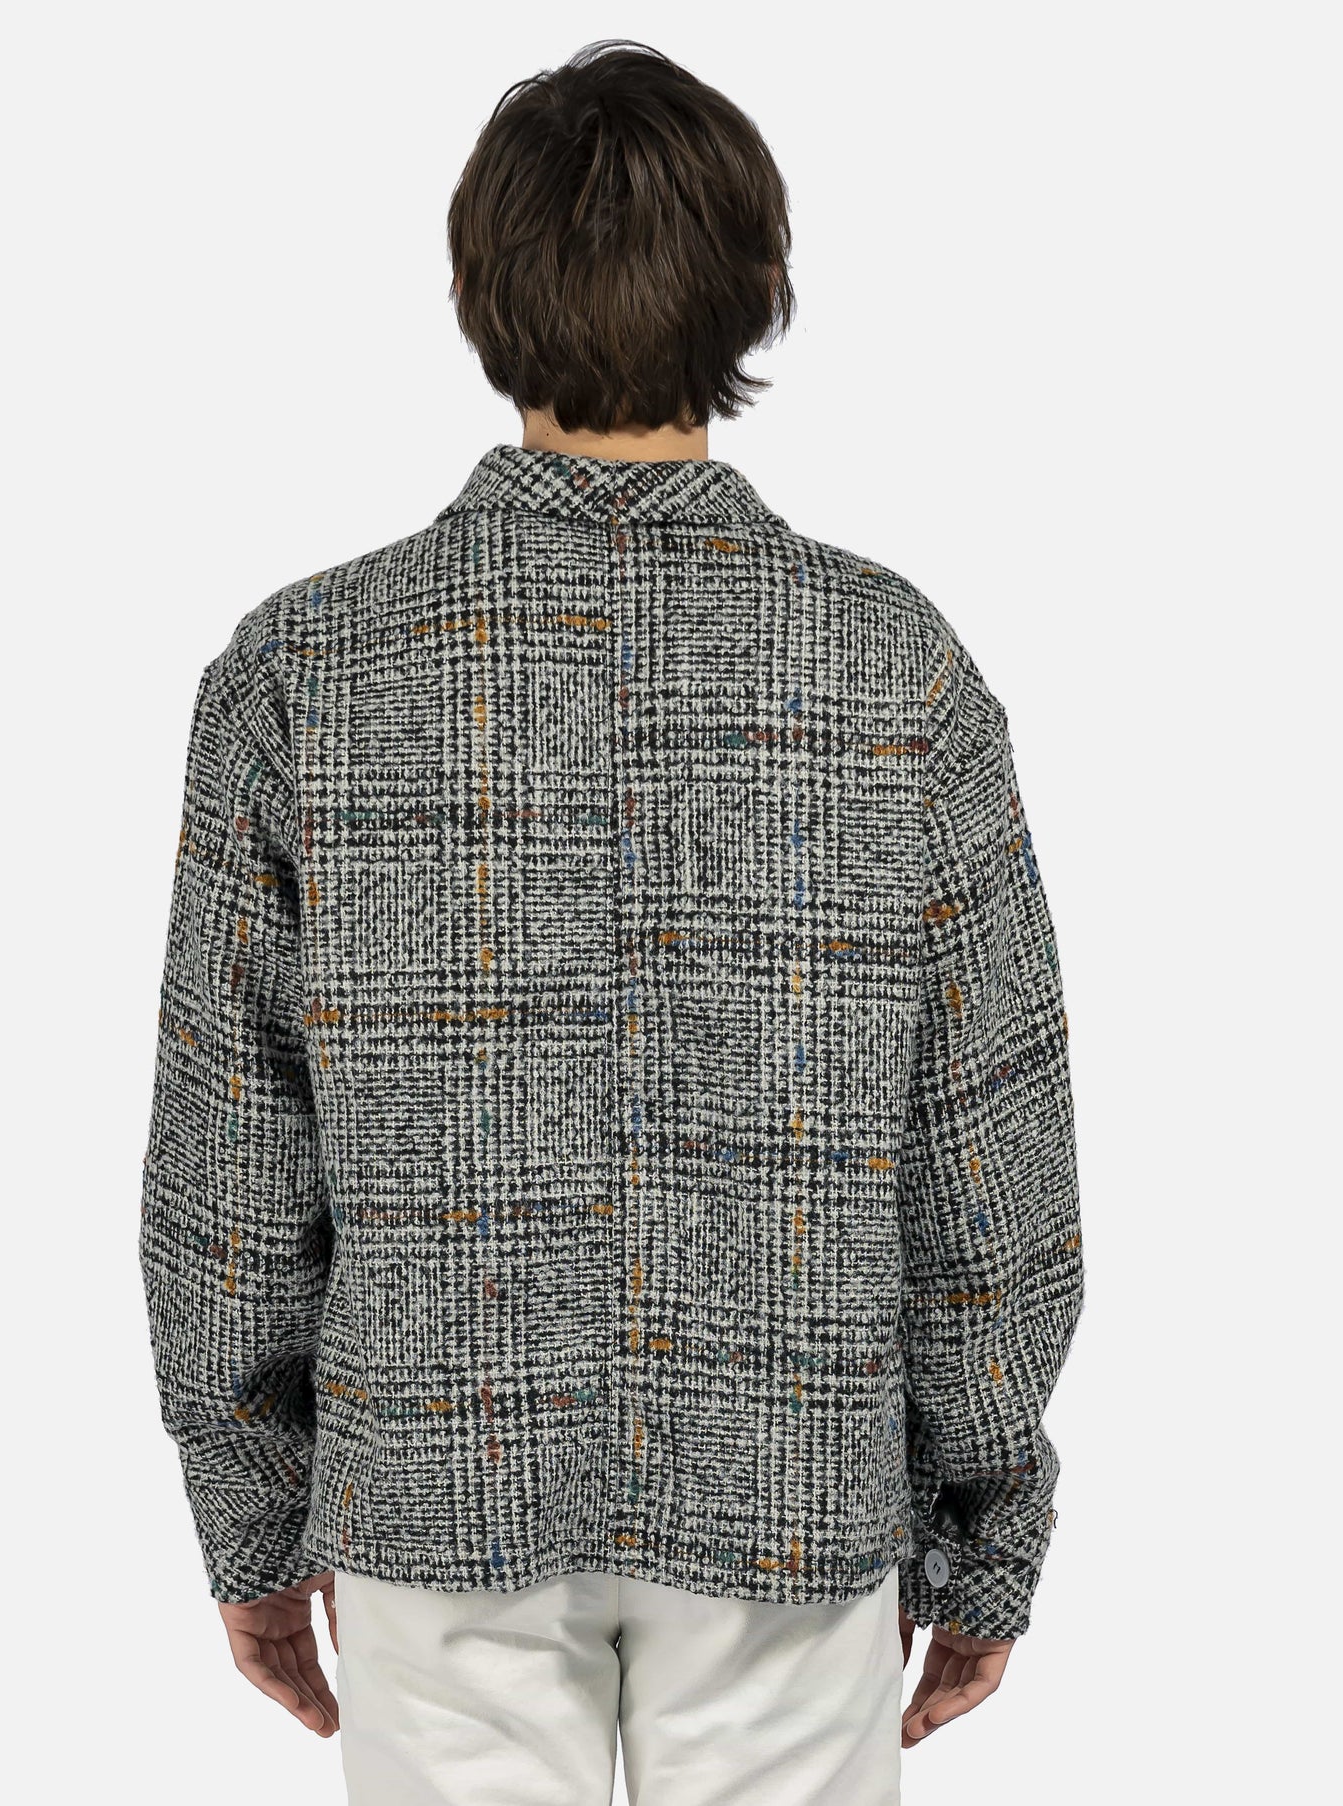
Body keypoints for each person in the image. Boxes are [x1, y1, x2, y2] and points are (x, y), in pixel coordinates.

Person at [137, 37, 1083, 1806]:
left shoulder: (302, 674)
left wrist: (251, 1511)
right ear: (761, 285)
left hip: (434, 1497)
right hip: (791, 1488)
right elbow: (989, 1150)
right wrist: (986, 1520)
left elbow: (228, 1164)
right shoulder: (893, 670)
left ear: (472, 288)